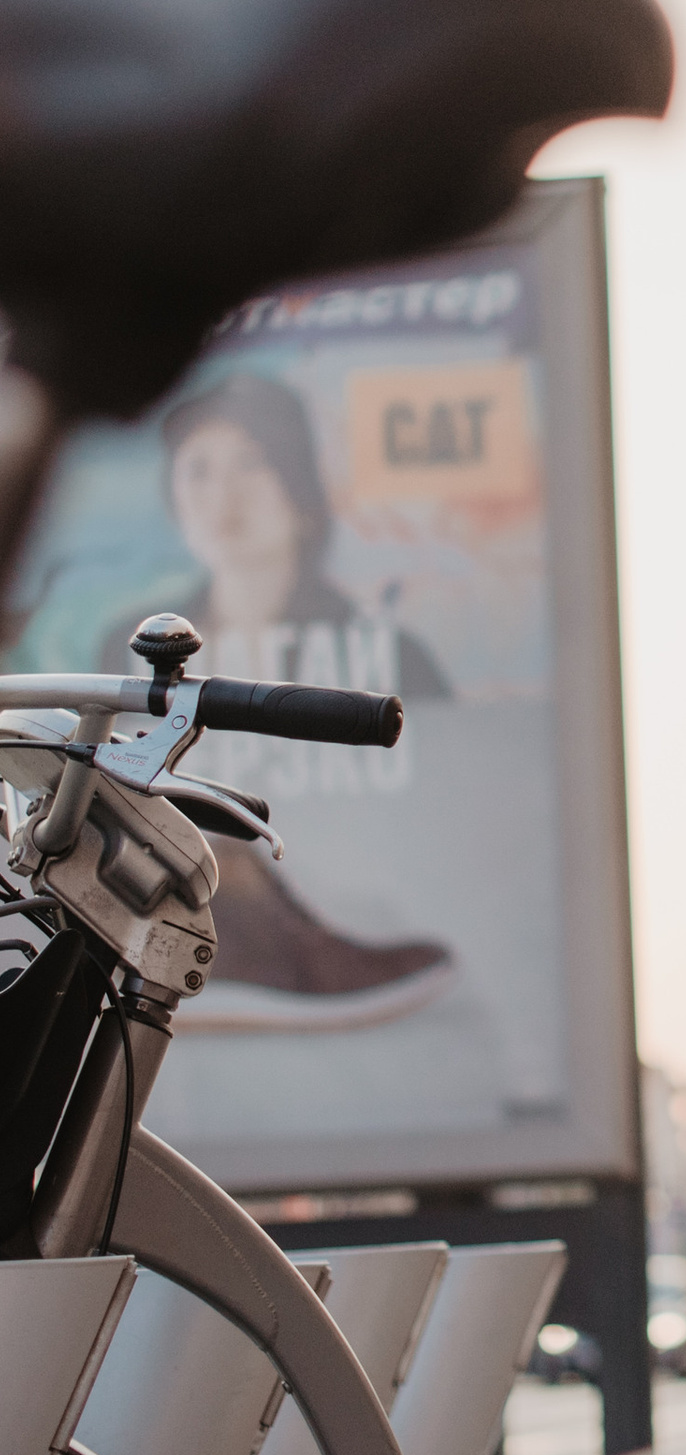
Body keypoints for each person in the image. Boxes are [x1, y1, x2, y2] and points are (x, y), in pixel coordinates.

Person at [108, 372, 456, 1032]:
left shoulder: (399, 659)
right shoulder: (124, 645)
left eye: (252, 463)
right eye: (199, 469)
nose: (224, 495)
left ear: (300, 490)